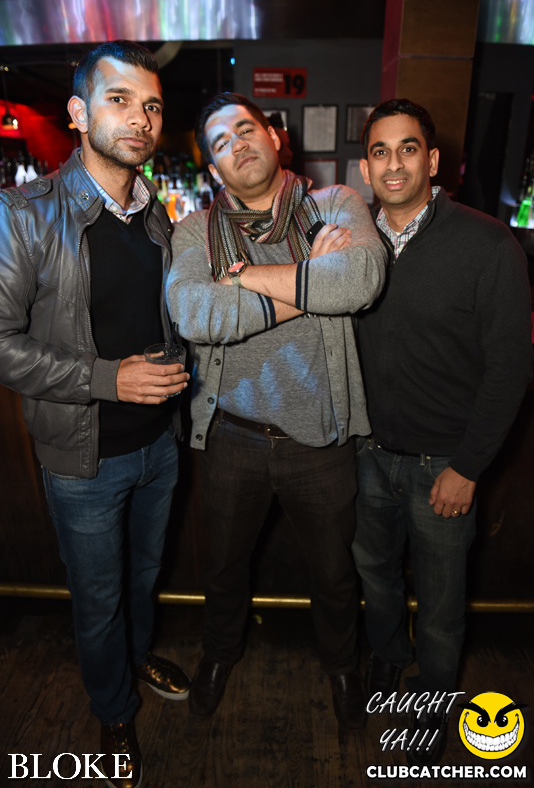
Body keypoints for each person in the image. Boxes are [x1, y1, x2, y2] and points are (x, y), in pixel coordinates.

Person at [0, 40, 191, 788]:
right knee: (99, 597)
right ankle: (112, 708)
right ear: (79, 113)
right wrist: (109, 379)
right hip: (83, 459)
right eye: (120, 100)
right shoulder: (23, 214)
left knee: (143, 578)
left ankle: (135, 659)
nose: (140, 118)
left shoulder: (155, 215)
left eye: (152, 106)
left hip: (161, 445)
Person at [166, 92, 387, 730]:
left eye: (246, 128)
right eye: (220, 142)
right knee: (224, 569)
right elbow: (196, 314)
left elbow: (360, 281)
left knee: (335, 573)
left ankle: (342, 667)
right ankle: (219, 655)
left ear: (276, 137)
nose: (237, 144)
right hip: (232, 437)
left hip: (321, 439)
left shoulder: (335, 204)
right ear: (213, 168)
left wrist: (243, 279)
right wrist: (309, 281)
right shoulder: (195, 231)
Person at [353, 98, 532, 766]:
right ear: (365, 168)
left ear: (431, 161)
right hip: (367, 454)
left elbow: (511, 369)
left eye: (407, 148)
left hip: (444, 465)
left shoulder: (488, 243)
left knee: (441, 599)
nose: (393, 163)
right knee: (375, 574)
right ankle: (387, 656)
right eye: (380, 151)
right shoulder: (351, 240)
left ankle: (431, 696)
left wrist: (468, 466)